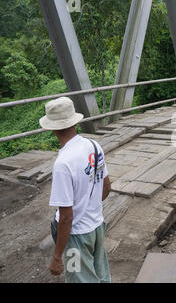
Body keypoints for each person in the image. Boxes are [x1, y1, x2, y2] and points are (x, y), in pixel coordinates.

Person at [40, 97, 112, 283]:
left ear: (53, 128)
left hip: (76, 238)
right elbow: (106, 187)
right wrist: (90, 207)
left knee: (78, 279)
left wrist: (57, 258)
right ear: (74, 121)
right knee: (102, 276)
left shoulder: (62, 164)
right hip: (97, 227)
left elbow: (66, 217)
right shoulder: (94, 146)